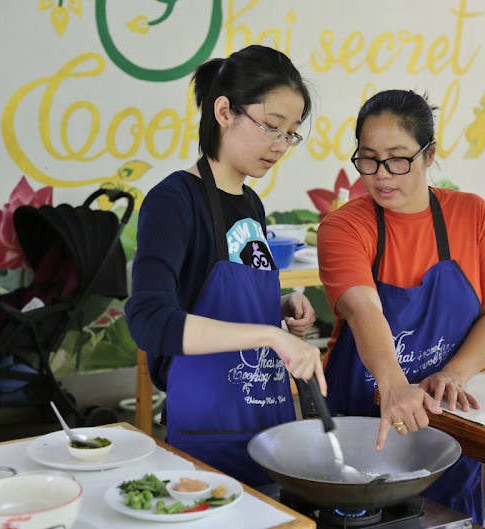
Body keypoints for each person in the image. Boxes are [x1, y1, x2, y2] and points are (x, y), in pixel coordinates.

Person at [126, 45, 327, 487]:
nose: (281, 146)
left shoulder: (251, 203)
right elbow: (149, 321)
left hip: (270, 430)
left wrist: (281, 310)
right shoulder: (173, 201)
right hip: (208, 443)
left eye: (291, 134)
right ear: (223, 111)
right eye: (272, 127)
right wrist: (268, 334)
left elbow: (222, 299)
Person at [317, 89, 485, 523]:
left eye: (397, 158)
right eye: (368, 158)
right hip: (359, 432)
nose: (381, 175)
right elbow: (364, 308)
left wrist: (453, 374)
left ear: (429, 154)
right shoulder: (344, 227)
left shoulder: (472, 215)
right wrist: (393, 385)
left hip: (444, 423)